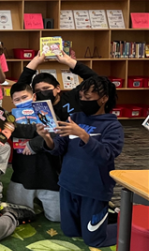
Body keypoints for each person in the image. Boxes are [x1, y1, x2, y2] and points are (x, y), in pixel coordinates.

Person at [37, 76, 123, 248]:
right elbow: (59, 148)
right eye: (82, 97)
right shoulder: (75, 117)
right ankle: (103, 215)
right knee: (70, 231)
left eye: (88, 98)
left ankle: (126, 221)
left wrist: (83, 135)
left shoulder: (113, 126)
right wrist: (47, 138)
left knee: (94, 239)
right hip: (68, 185)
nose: (83, 101)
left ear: (104, 98)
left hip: (94, 189)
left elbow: (107, 155)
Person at [6, 83, 61, 222]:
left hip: (48, 175)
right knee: (16, 213)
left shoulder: (46, 111)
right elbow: (4, 130)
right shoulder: (10, 117)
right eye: (17, 99)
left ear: (34, 96)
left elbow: (55, 132)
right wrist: (36, 131)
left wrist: (34, 143)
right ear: (12, 101)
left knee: (58, 217)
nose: (22, 101)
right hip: (23, 174)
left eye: (25, 97)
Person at [17, 51, 98, 121]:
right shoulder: (36, 106)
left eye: (46, 88)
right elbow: (19, 89)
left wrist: (69, 61)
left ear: (58, 88)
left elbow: (95, 80)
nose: (42, 92)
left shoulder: (73, 97)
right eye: (38, 91)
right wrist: (35, 61)